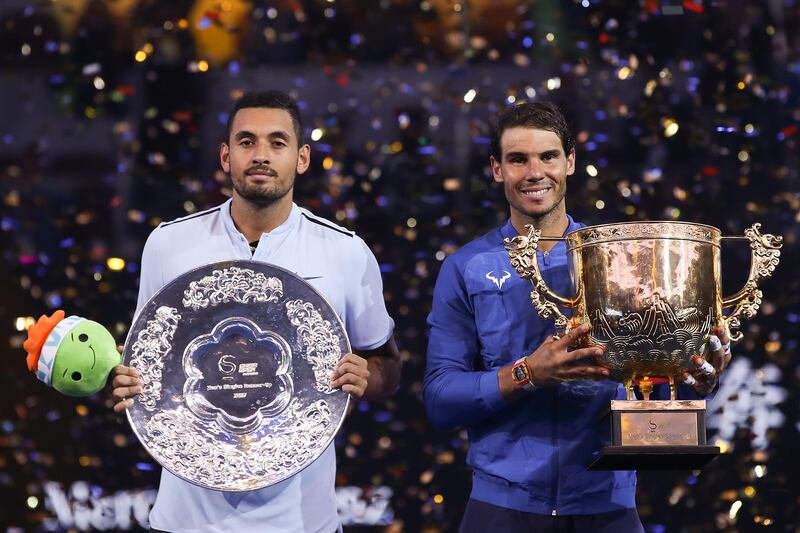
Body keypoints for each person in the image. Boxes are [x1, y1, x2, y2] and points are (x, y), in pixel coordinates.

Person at [423, 102, 731, 533]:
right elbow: (440, 398)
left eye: (548, 156)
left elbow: (648, 377)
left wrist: (691, 377)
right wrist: (528, 373)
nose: (534, 172)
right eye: (518, 159)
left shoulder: (623, 259)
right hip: (501, 508)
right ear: (497, 169)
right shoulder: (466, 267)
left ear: (570, 161)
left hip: (606, 505)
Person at [109, 90, 402, 533]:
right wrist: (123, 378)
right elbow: (145, 360)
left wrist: (368, 377)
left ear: (302, 158)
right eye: (246, 142)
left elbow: (388, 365)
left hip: (302, 523)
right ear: (225, 156)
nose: (261, 155)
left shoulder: (346, 252)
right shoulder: (168, 245)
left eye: (277, 143)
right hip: (185, 521)